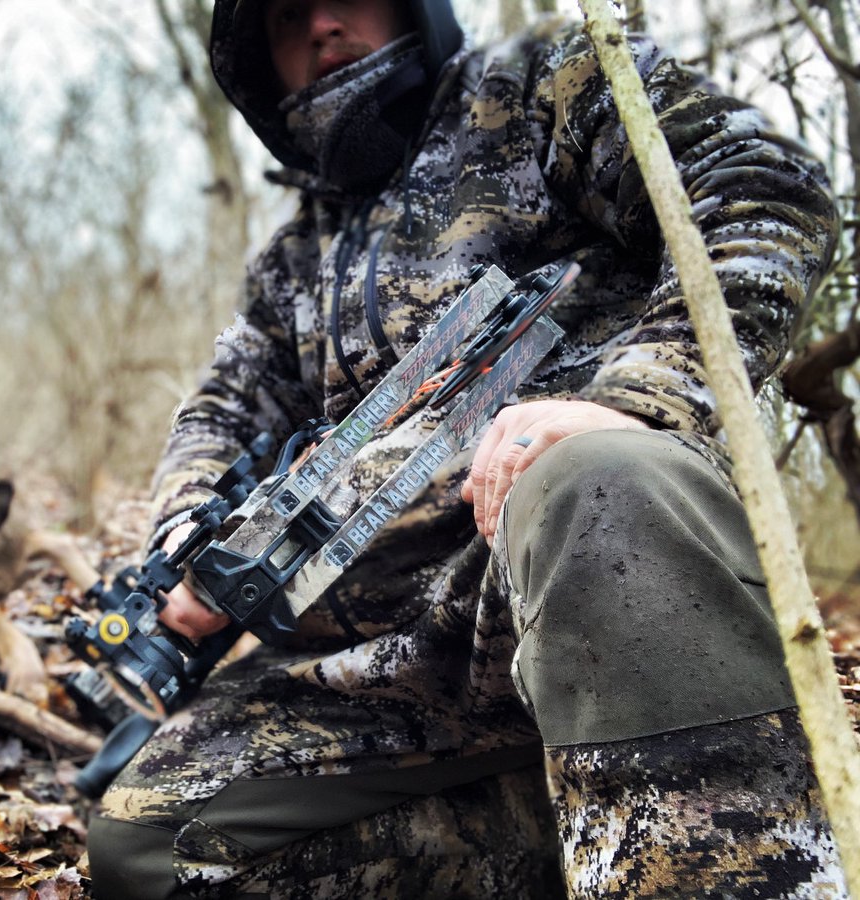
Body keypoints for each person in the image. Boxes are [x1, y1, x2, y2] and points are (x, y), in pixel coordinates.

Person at [87, 0, 846, 896]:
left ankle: (712, 833)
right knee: (148, 851)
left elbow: (760, 187)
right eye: (289, 14)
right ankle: (599, 820)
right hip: (393, 668)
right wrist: (188, 543)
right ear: (260, 61)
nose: (324, 23)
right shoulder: (292, 258)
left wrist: (637, 400)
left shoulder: (543, 86)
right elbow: (219, 412)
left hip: (577, 570)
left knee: (598, 482)